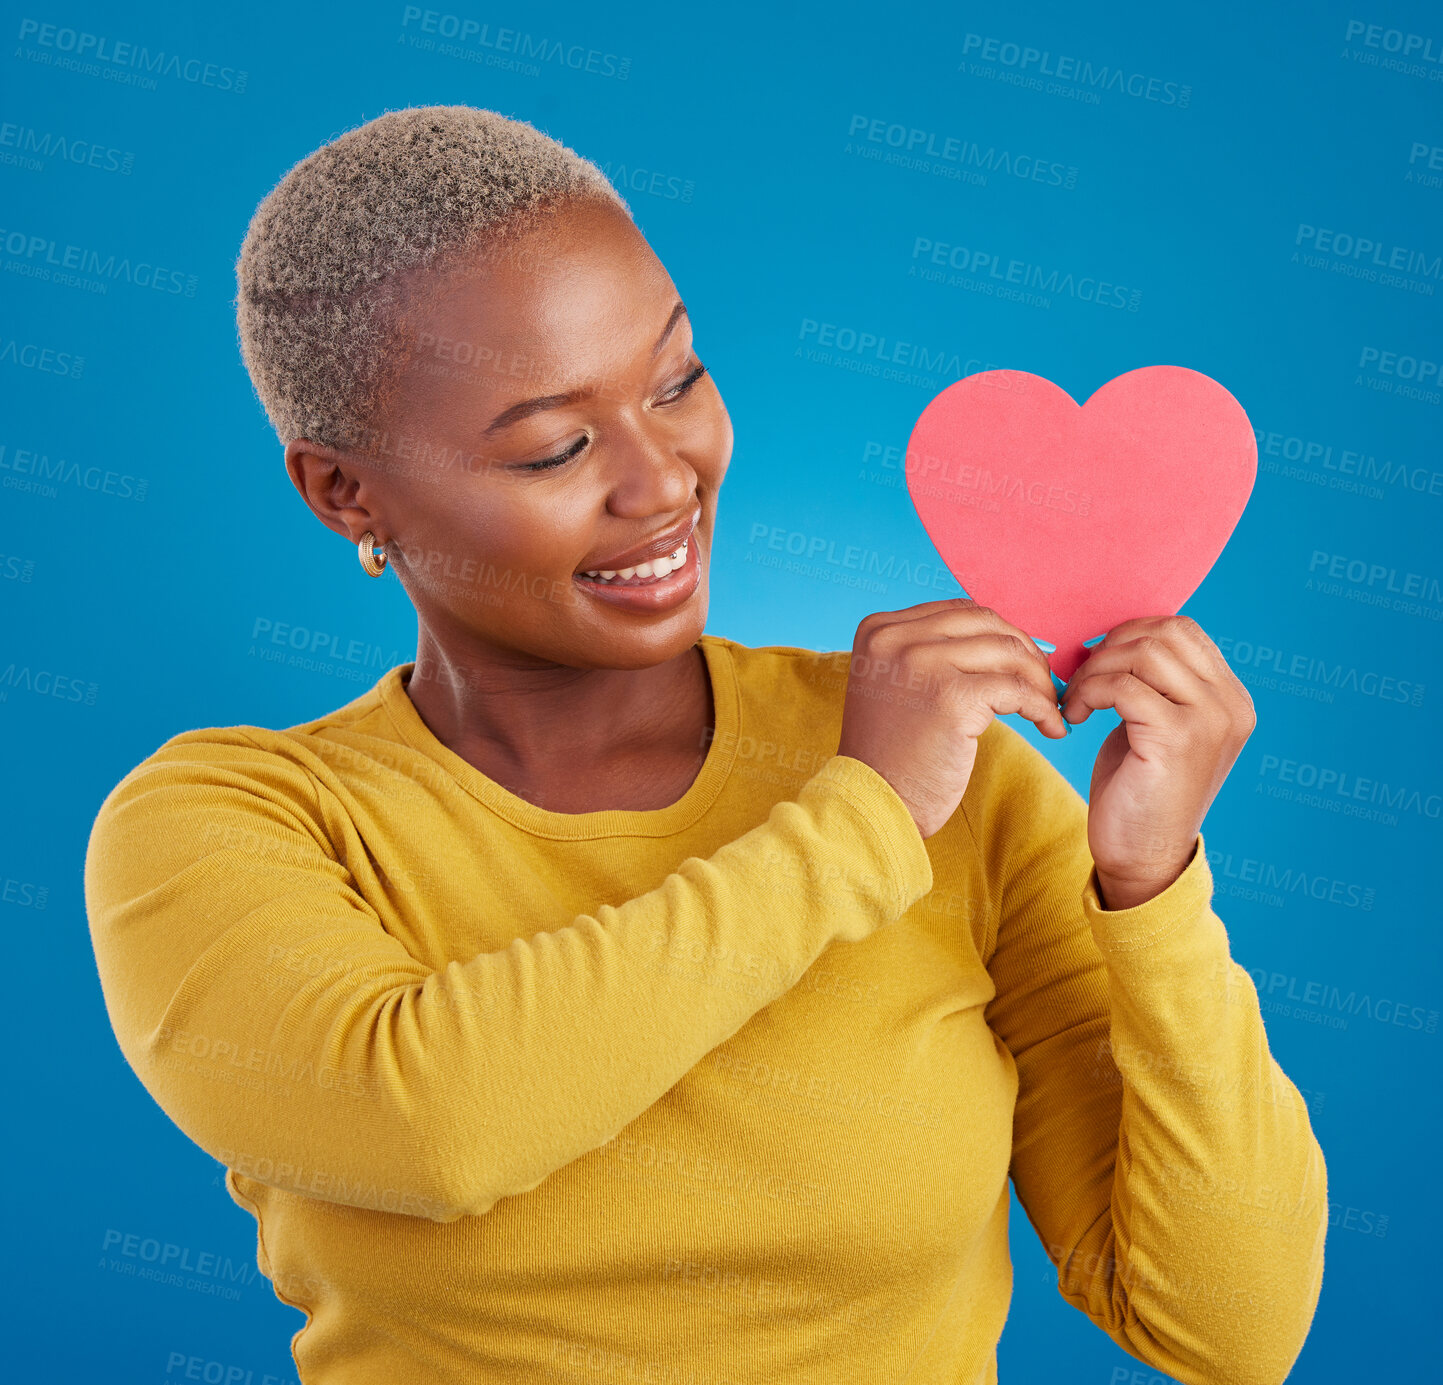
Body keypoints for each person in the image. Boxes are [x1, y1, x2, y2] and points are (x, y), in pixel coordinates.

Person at [83, 105, 1326, 1385]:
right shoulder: (232, 819)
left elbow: (1227, 1330)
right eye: (555, 446)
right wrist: (860, 824)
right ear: (345, 491)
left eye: (676, 381)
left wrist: (1153, 887)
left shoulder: (963, 781)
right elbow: (431, 1125)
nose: (662, 478)